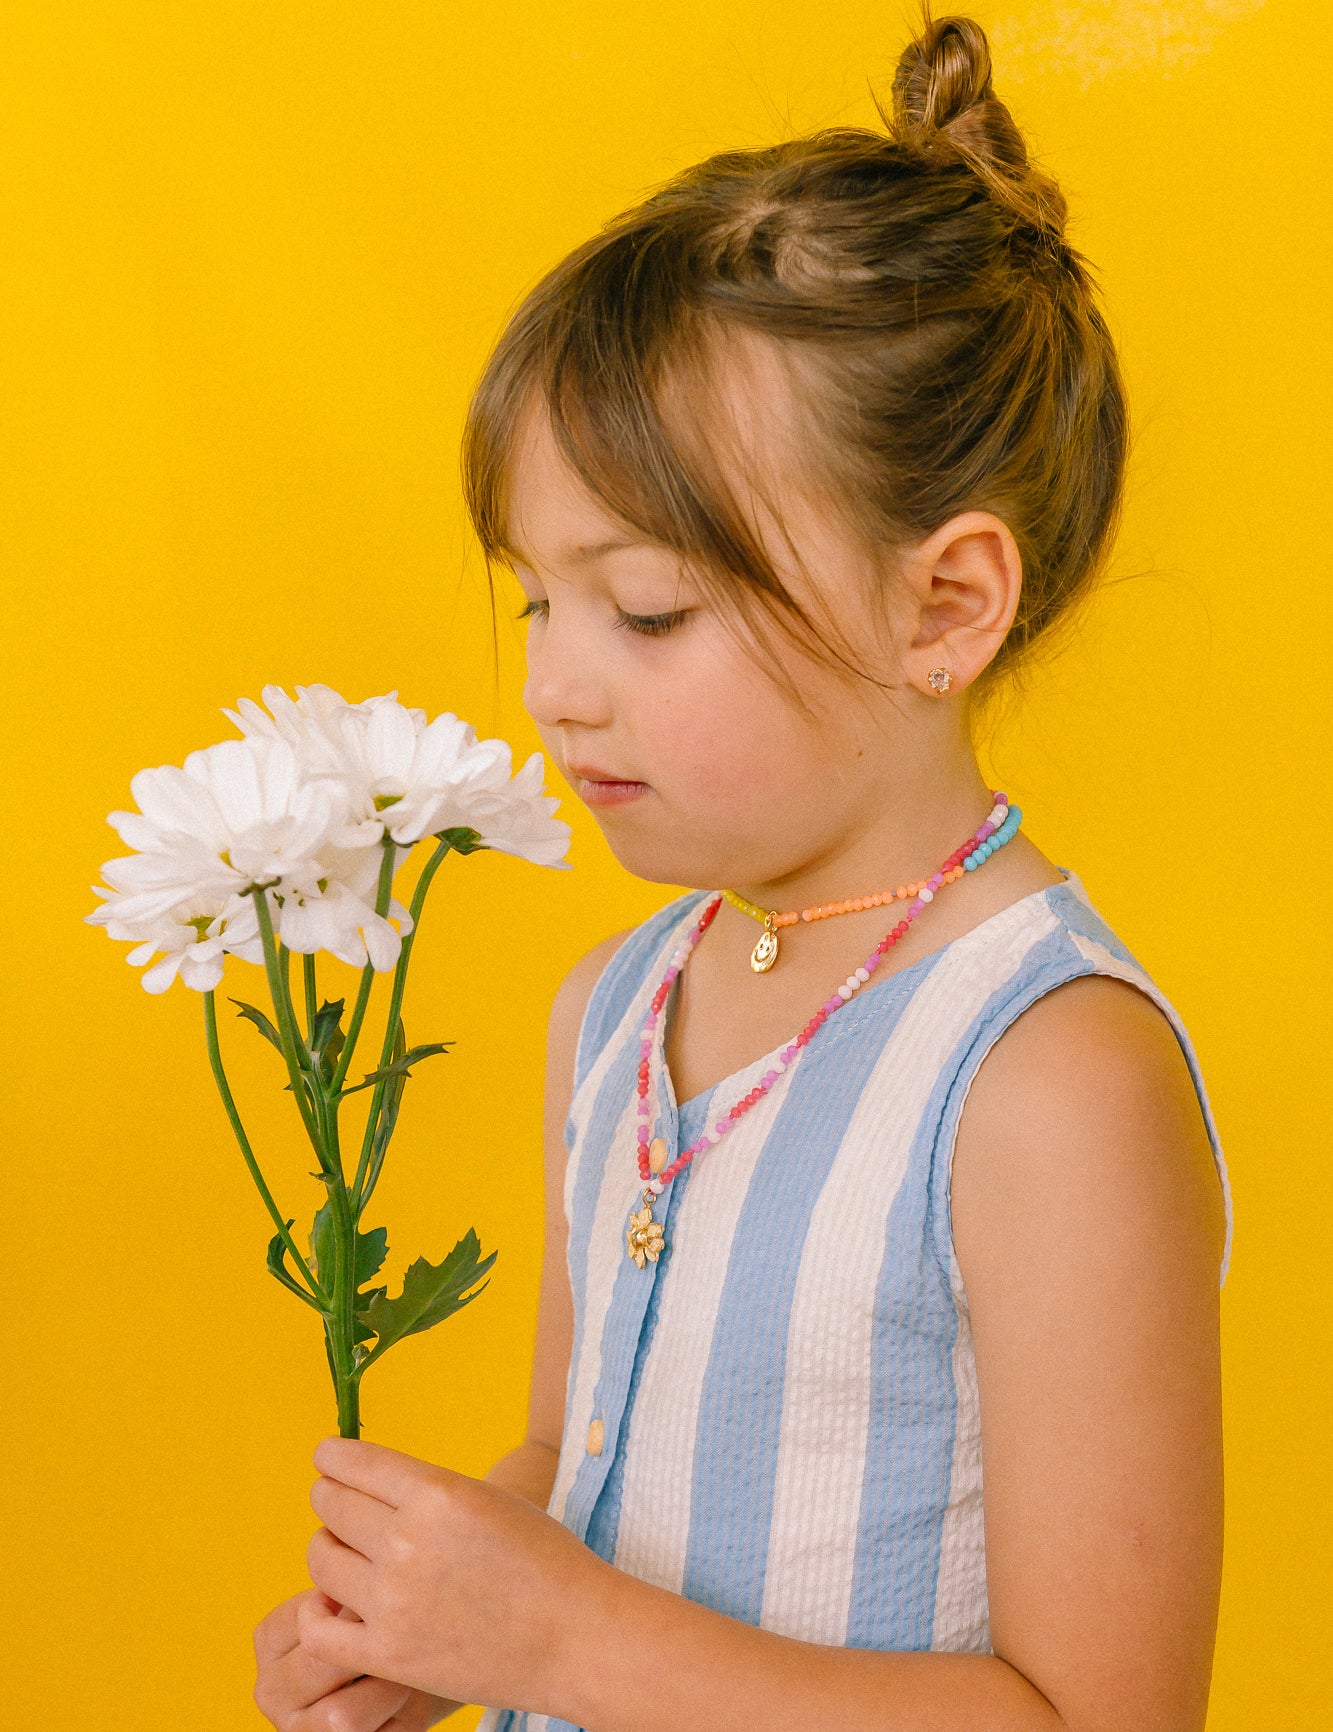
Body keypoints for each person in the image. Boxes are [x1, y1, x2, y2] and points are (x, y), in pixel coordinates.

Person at [252, 10, 1233, 1730]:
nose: (555, 681)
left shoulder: (1048, 1079)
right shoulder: (614, 1005)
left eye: (645, 609)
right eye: (537, 596)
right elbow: (576, 1464)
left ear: (943, 607)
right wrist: (430, 1625)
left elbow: (1104, 1718)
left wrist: (555, 1642)